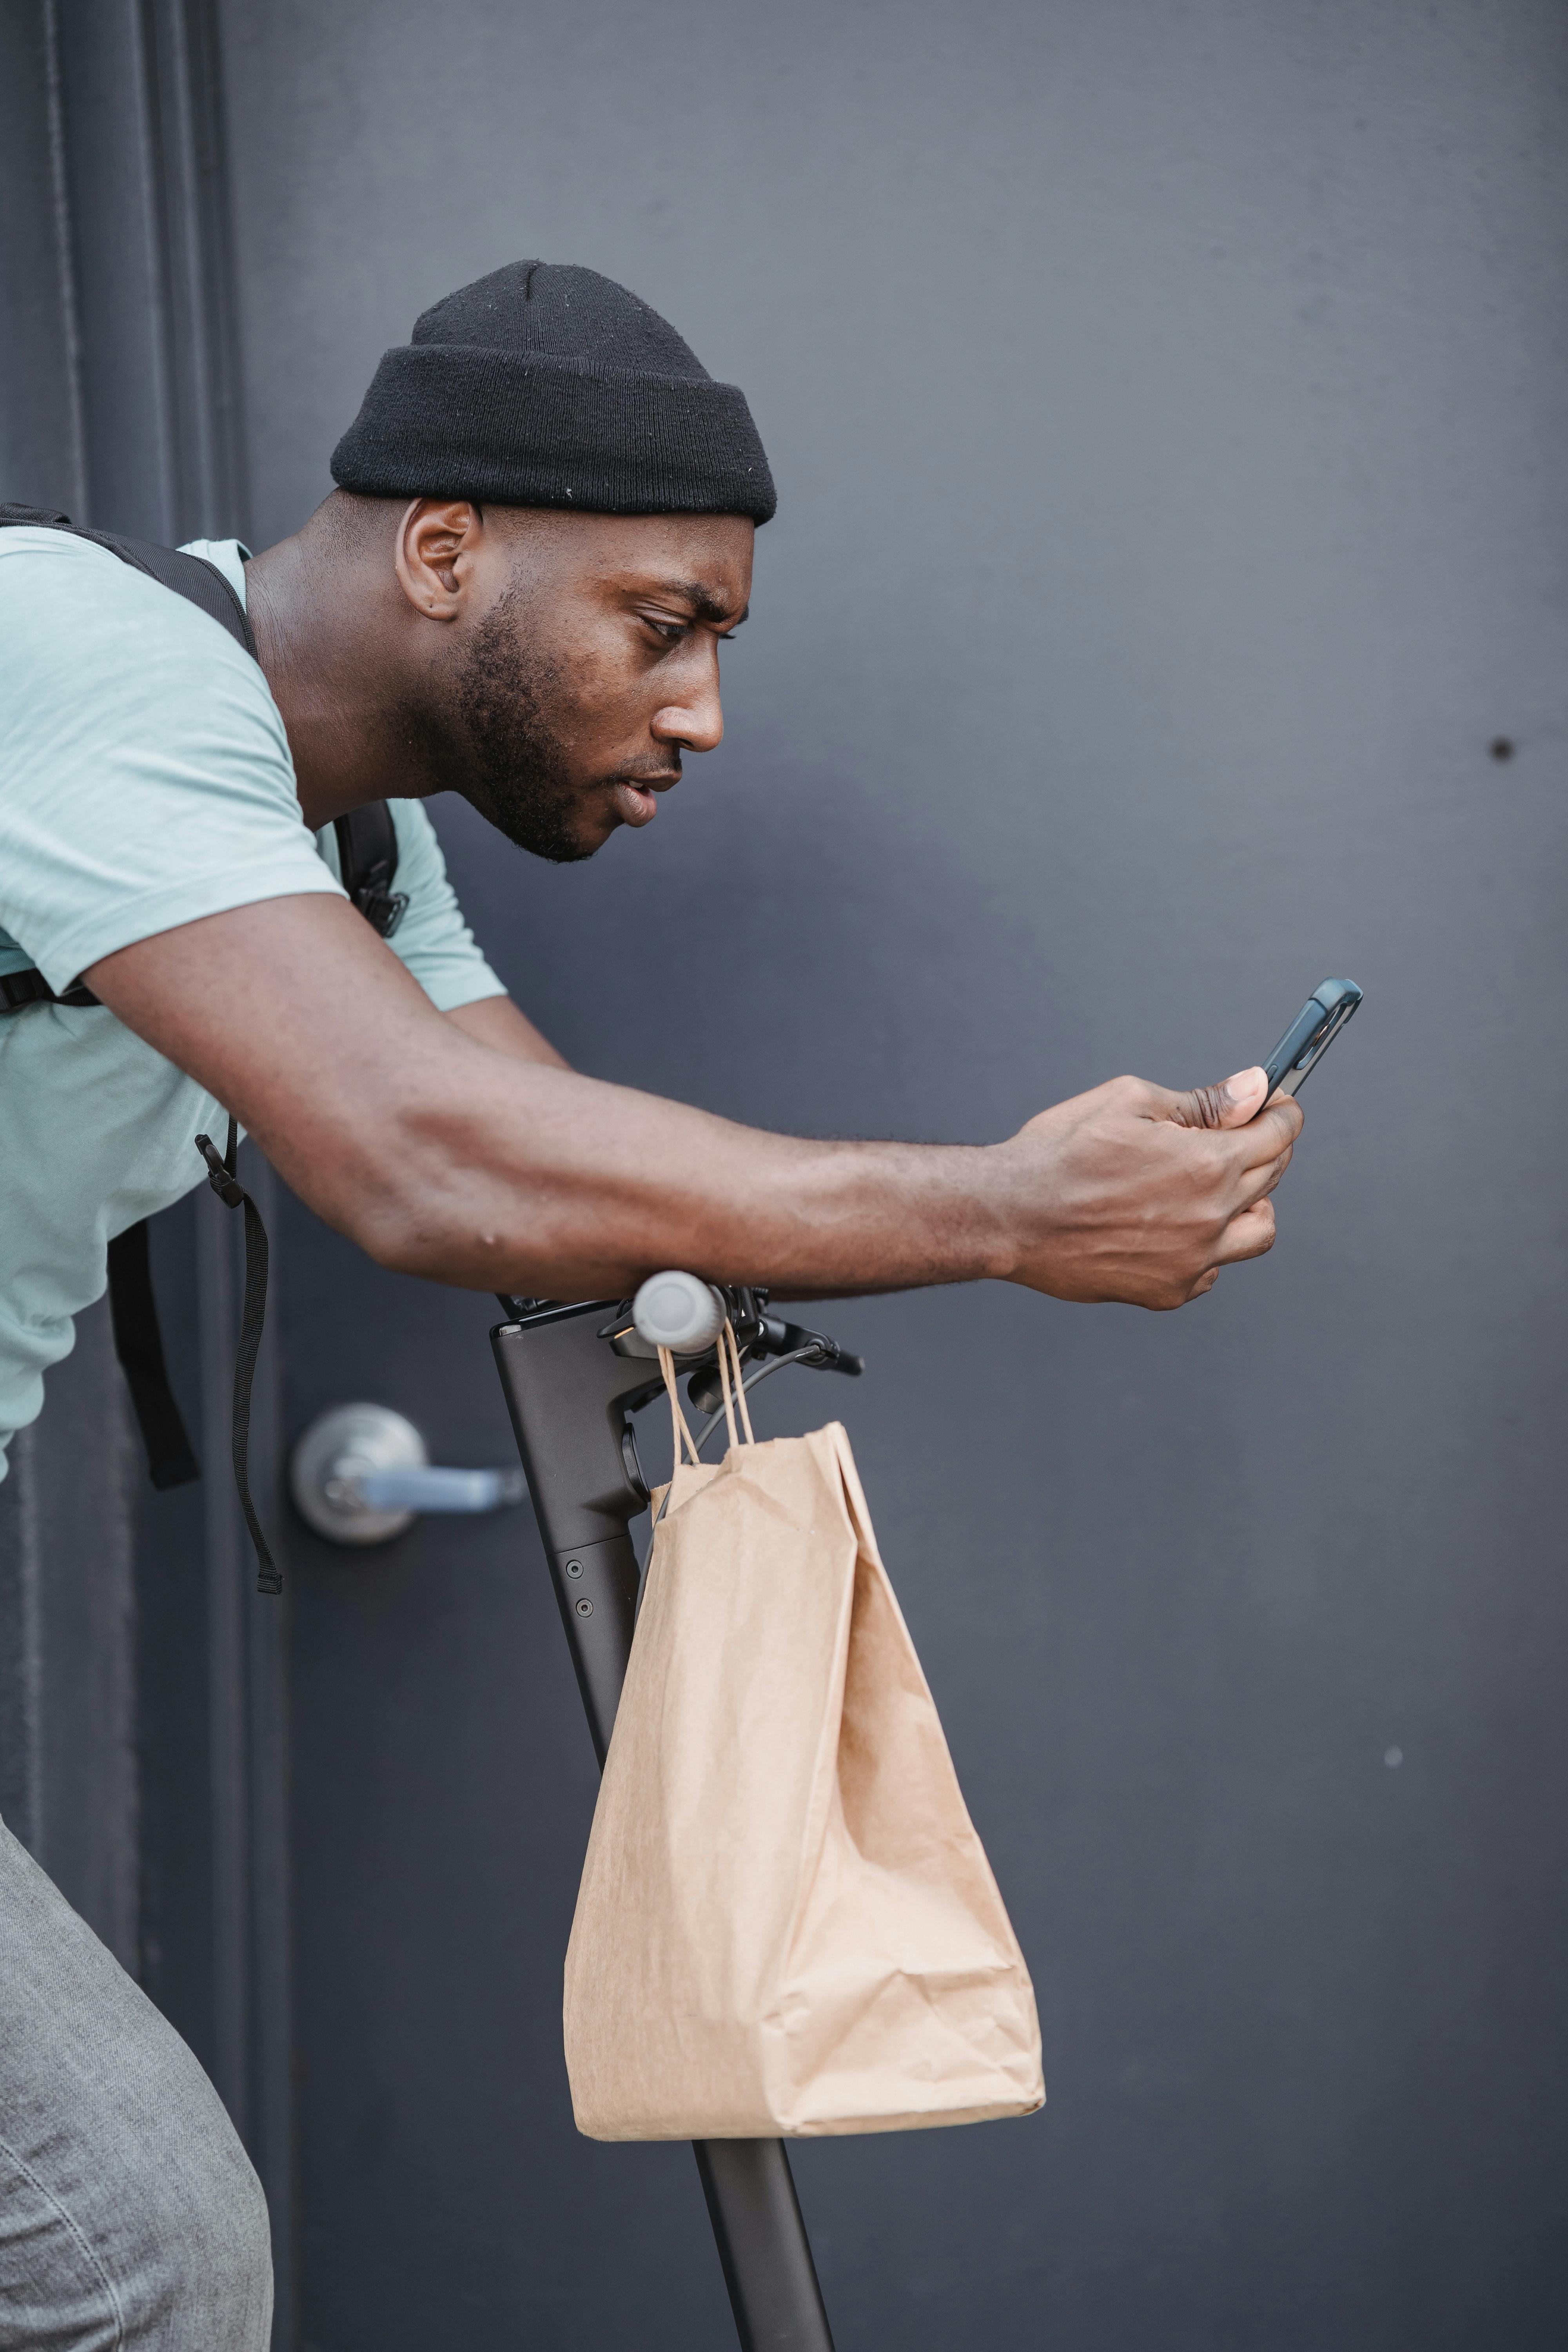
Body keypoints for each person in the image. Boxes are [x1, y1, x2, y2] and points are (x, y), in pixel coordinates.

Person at [0, 261, 1302, 2347]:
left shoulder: (348, 842)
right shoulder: (67, 650)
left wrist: (1071, 1192)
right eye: (665, 626)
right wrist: (993, 1208)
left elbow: (543, 1159)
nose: (699, 705)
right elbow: (425, 1159)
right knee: (133, 2250)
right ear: (446, 549)